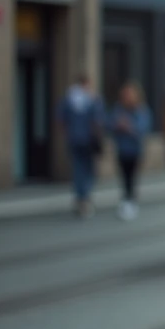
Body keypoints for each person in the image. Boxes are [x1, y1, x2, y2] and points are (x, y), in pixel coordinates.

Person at [59, 73, 106, 219]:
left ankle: (80, 197)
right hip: (88, 140)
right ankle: (84, 198)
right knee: (87, 169)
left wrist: (69, 132)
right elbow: (99, 120)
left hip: (74, 139)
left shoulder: (68, 98)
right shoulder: (92, 99)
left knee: (78, 168)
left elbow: (61, 119)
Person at [111, 81, 152, 221]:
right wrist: (117, 126)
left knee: (132, 177)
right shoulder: (119, 109)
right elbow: (110, 124)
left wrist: (128, 126)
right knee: (124, 177)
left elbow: (142, 130)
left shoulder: (140, 110)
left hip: (135, 150)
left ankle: (131, 202)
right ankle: (126, 201)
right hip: (122, 149)